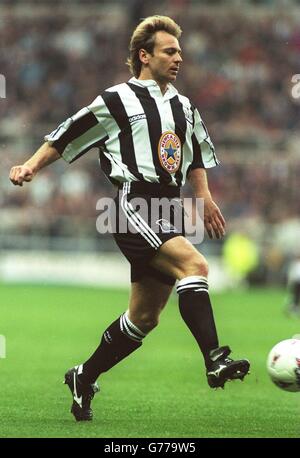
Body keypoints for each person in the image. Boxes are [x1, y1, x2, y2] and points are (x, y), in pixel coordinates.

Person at [9, 15, 250, 422]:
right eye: (169, 51)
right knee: (195, 265)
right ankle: (214, 360)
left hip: (169, 208)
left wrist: (204, 197)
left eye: (179, 51)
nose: (178, 57)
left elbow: (196, 155)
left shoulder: (184, 105)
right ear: (144, 55)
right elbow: (67, 134)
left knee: (143, 319)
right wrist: (31, 165)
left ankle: (83, 377)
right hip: (132, 205)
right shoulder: (117, 99)